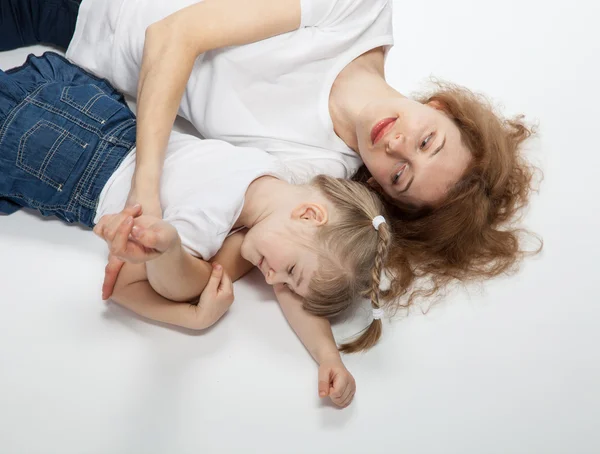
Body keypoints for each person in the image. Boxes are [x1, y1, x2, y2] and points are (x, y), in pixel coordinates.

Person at [0, 52, 400, 407]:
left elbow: (297, 286)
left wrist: (327, 354)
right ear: (310, 216)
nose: (273, 279)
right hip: (63, 162)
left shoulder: (284, 176)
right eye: (290, 272)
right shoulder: (206, 220)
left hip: (93, 104)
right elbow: (123, 288)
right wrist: (191, 317)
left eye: (287, 282)